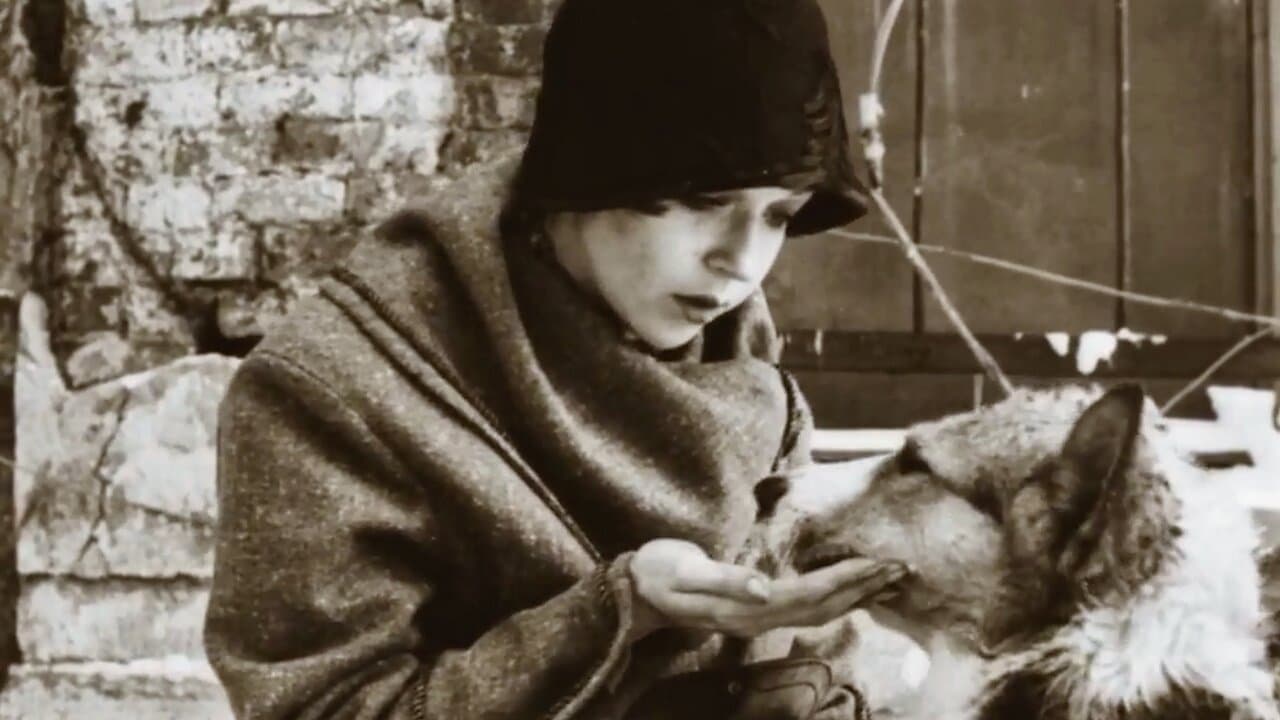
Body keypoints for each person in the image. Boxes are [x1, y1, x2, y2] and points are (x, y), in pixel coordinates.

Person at [203, 0, 911, 717]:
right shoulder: (336, 390)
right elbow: (324, 709)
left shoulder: (731, 341)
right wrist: (614, 614)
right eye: (703, 200)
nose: (743, 261)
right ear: (591, 170)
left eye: (780, 214)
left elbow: (821, 658)